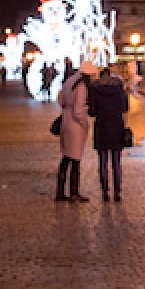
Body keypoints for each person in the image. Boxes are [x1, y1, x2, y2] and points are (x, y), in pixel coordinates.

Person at [89, 66, 131, 202]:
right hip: (117, 127)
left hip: (102, 128)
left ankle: (105, 192)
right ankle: (117, 192)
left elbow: (92, 112)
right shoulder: (120, 90)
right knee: (116, 163)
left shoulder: (95, 90)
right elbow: (125, 108)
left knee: (102, 163)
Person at [55, 60, 94, 202]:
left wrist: (66, 109)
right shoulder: (82, 86)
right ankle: (74, 192)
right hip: (76, 127)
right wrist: (85, 124)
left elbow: (60, 99)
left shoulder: (70, 80)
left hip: (66, 121)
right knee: (75, 160)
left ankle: (60, 191)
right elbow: (78, 111)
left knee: (66, 158)